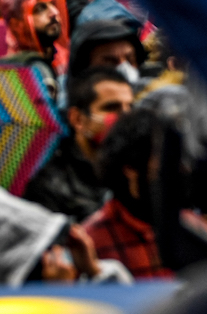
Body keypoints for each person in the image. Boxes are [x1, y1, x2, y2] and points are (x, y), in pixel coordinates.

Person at [25, 68, 133, 222]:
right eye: (111, 108)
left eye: (130, 107)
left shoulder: (136, 169)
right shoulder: (49, 187)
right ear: (78, 119)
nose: (126, 116)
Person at [82, 106, 173, 279]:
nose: (175, 169)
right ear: (131, 168)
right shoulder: (91, 243)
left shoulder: (190, 229)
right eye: (160, 160)